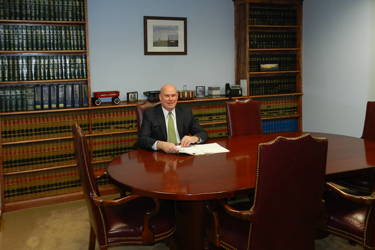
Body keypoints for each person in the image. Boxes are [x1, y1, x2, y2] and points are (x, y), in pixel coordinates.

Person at [137, 84, 209, 154]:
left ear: (177, 96)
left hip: (183, 155)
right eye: (167, 96)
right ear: (160, 97)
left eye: (173, 95)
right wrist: (160, 145)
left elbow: (203, 133)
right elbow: (142, 139)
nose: (170, 99)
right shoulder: (150, 114)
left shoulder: (186, 112)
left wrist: (194, 138)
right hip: (161, 156)